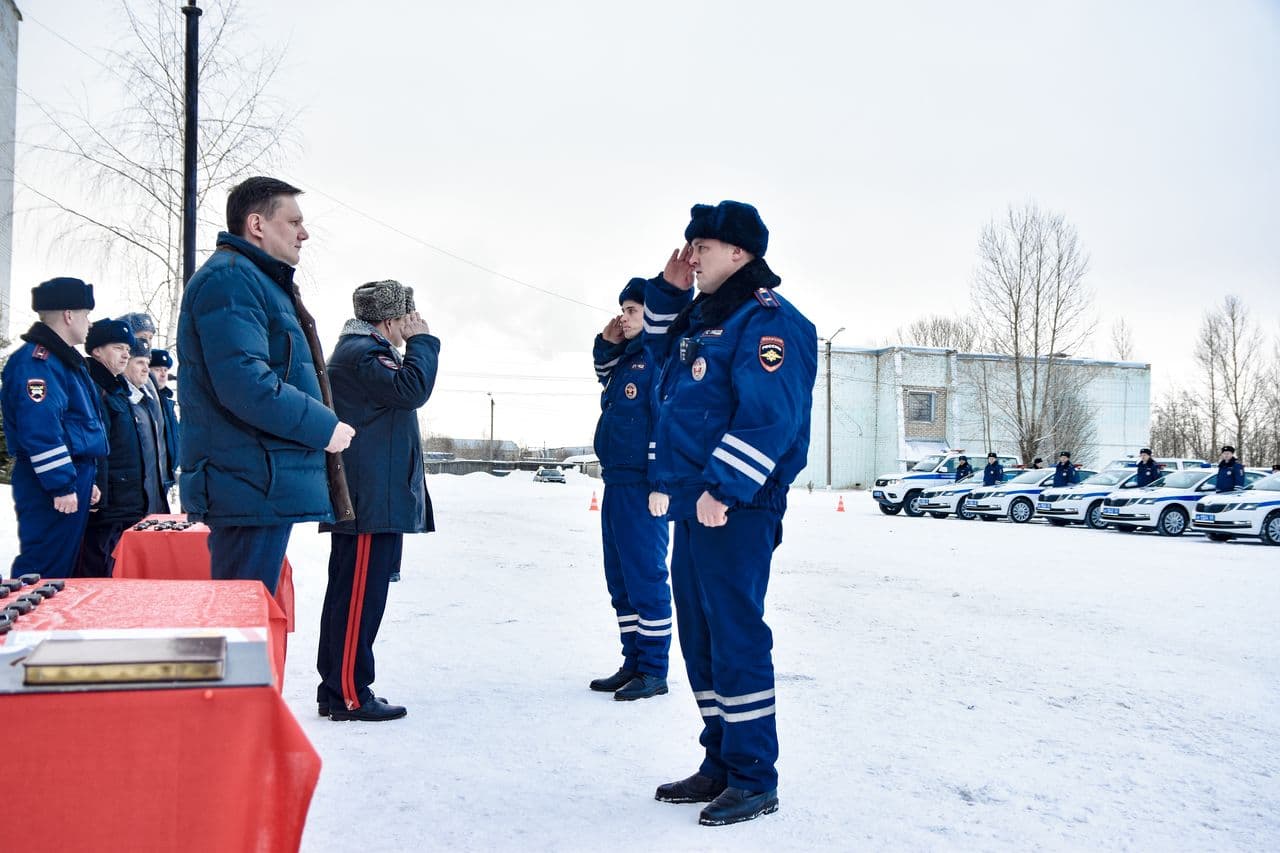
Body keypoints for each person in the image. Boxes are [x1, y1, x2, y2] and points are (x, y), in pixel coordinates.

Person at [646, 201, 816, 826]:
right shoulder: (707, 317)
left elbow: (771, 418)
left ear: (741, 253)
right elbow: (661, 356)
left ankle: (753, 776)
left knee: (736, 632)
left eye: (705, 247)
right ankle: (720, 760)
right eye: (691, 245)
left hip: (734, 504)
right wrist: (669, 287)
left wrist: (724, 488)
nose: (694, 255)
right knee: (700, 632)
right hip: (697, 503)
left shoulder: (769, 322)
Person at [176, 176, 355, 594]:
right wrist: (323, 426)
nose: (303, 233)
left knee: (249, 622)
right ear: (257, 225)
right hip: (250, 487)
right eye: (293, 221)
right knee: (241, 624)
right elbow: (245, 382)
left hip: (258, 485)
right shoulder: (231, 280)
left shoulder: (253, 281)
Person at [318, 280, 439, 722]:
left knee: (350, 595)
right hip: (368, 503)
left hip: (370, 498)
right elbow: (412, 390)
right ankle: (350, 692)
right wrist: (422, 342)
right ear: (390, 320)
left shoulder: (363, 351)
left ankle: (335, 687)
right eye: (406, 318)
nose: (411, 323)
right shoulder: (364, 353)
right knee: (357, 599)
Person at [588, 274, 689, 701]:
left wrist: (662, 482)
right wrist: (606, 342)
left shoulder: (661, 358)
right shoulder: (630, 357)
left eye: (632, 311)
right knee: (621, 580)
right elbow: (602, 374)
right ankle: (632, 660)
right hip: (616, 482)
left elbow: (667, 424)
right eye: (624, 309)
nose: (623, 317)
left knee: (647, 578)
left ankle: (653, 669)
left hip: (645, 487)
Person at [1, 278, 106, 579]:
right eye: (86, 314)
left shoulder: (61, 361)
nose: (90, 323)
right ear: (68, 315)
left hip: (69, 475)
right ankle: (22, 626)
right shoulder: (39, 363)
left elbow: (76, 425)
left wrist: (84, 480)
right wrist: (62, 484)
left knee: (63, 567)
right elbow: (41, 429)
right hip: (49, 482)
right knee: (43, 570)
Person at [76, 320, 156, 577]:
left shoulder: (118, 389)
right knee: (97, 574)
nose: (125, 354)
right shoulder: (93, 388)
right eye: (118, 347)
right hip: (106, 507)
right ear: (97, 351)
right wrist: (99, 500)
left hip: (126, 505)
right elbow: (96, 447)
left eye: (127, 349)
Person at [121, 312, 174, 492]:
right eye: (142, 337)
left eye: (150, 338)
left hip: (157, 478)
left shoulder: (149, 380)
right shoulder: (116, 382)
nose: (147, 343)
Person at [148, 348, 180, 493]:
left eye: (165, 370)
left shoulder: (167, 402)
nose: (162, 374)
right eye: (157, 369)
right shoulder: (146, 400)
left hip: (166, 475)